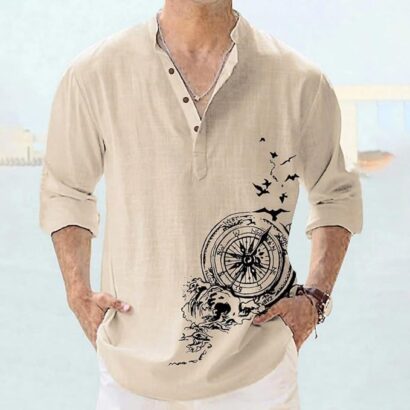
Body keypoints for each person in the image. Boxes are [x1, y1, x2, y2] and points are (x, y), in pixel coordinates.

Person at [39, 1, 363, 409]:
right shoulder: (94, 74)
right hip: (130, 375)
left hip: (259, 377)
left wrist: (315, 298)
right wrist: (78, 294)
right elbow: (66, 189)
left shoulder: (299, 81)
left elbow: (336, 195)